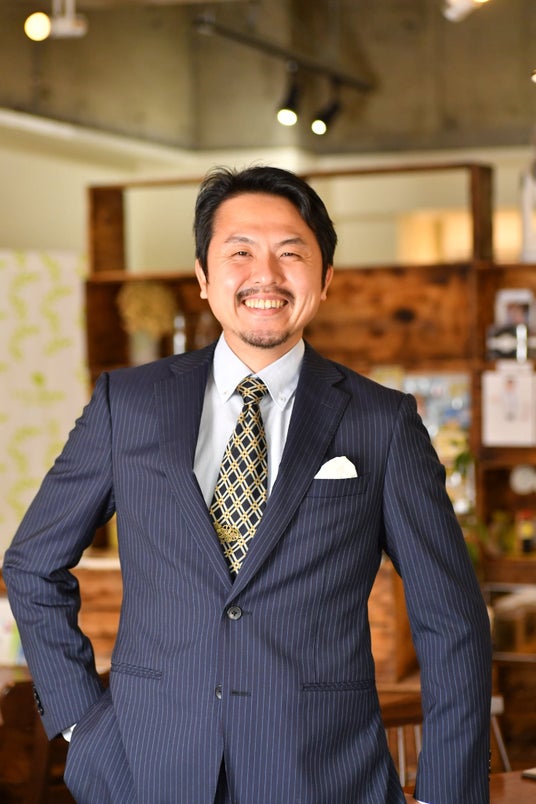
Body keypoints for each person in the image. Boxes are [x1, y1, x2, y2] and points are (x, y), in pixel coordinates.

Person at [3, 166, 492, 803]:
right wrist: (80, 722)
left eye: (291, 253)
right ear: (204, 277)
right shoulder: (129, 404)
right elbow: (33, 564)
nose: (266, 275)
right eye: (239, 252)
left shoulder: (382, 422)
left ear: (325, 278)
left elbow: (451, 621)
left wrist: (446, 793)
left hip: (325, 778)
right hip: (144, 773)